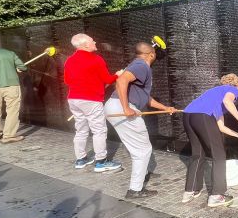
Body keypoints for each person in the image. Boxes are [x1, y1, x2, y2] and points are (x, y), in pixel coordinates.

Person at [104, 42, 177, 199]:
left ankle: (143, 173)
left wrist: (165, 107)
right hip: (122, 108)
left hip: (114, 106)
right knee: (142, 150)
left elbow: (146, 97)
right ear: (151, 54)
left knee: (138, 147)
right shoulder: (142, 65)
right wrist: (126, 108)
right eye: (155, 54)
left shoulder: (136, 65)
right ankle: (135, 190)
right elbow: (121, 81)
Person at [182, 74, 238, 207]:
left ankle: (190, 191)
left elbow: (221, 127)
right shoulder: (232, 89)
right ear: (237, 85)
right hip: (203, 116)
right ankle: (216, 195)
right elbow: (228, 102)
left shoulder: (215, 95)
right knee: (219, 154)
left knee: (198, 154)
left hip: (188, 116)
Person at [64, 33, 122, 172]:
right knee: (99, 130)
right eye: (92, 41)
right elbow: (107, 79)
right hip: (91, 100)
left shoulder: (69, 60)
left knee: (81, 130)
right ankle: (101, 162)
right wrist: (117, 75)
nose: (95, 42)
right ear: (85, 45)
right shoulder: (96, 59)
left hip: (73, 99)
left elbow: (67, 81)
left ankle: (81, 159)